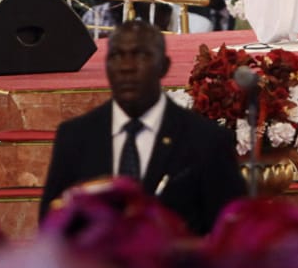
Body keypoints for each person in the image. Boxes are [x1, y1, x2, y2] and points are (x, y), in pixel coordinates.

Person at [37, 20, 242, 235]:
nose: (127, 67)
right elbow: (51, 229)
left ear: (164, 66)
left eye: (140, 55)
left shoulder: (206, 140)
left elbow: (228, 238)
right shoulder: (75, 137)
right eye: (117, 56)